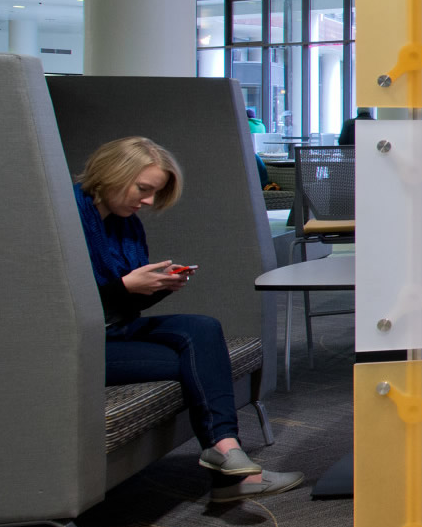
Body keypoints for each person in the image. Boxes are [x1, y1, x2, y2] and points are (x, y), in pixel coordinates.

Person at [75, 137, 303, 501]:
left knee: (203, 328)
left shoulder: (124, 222)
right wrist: (125, 286)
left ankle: (226, 451)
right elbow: (61, 306)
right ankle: (230, 470)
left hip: (113, 331)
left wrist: (156, 286)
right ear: (113, 172)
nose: (147, 202)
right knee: (197, 360)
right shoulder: (66, 218)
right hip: (77, 347)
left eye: (153, 193)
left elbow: (118, 304)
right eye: (143, 189)